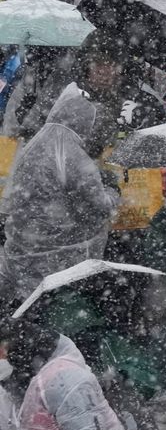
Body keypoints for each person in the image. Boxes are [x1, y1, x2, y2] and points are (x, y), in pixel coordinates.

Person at [0, 84, 119, 301]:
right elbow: (101, 206)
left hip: (22, 252)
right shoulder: (76, 158)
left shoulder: (32, 147)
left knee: (23, 309)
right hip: (58, 260)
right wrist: (113, 190)